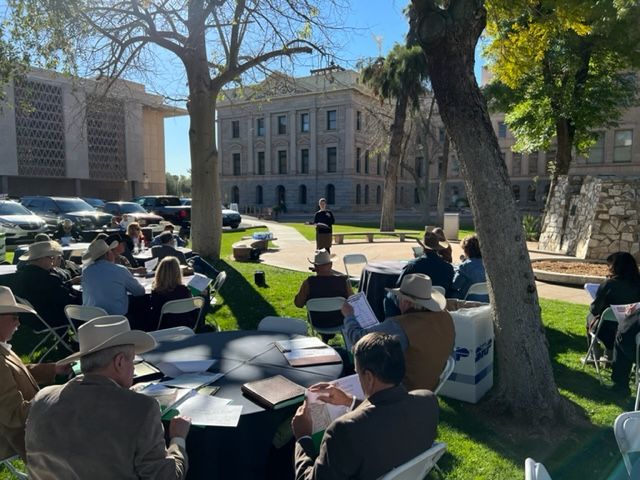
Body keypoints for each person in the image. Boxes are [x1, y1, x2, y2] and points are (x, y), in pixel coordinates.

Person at [25, 315, 191, 479]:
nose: (133, 369)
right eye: (132, 361)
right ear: (119, 362)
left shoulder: (42, 398)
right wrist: (178, 439)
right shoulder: (142, 408)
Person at [291, 332, 439, 480]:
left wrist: (303, 437)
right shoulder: (428, 401)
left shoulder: (344, 431)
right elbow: (385, 416)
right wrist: (350, 401)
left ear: (369, 377)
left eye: (358, 373)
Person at [344, 273, 455, 391]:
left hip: (404, 390)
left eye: (399, 298)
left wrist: (349, 316)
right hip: (431, 384)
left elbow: (359, 340)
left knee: (356, 365)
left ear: (406, 302)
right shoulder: (445, 316)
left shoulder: (400, 326)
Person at [0, 286, 69, 461]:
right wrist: (53, 396)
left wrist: (53, 368)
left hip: (30, 424)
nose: (18, 323)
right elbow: (14, 416)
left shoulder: (2, 347)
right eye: (14, 317)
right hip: (17, 438)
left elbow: (16, 372)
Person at [383, 231, 454, 318]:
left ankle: (391, 322)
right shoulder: (448, 268)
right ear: (438, 248)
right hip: (437, 304)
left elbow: (400, 286)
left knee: (389, 296)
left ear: (423, 247)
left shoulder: (413, 265)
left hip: (414, 303)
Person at [12, 241, 81, 328]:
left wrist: (69, 283)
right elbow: (66, 299)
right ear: (40, 259)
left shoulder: (22, 274)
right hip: (52, 318)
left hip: (34, 318)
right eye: (51, 257)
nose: (53, 260)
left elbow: (56, 290)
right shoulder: (47, 277)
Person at [587, 252, 640, 356]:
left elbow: (595, 309)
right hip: (633, 329)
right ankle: (609, 354)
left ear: (615, 267)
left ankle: (594, 355)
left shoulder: (609, 284)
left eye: (609, 266)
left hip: (608, 330)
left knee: (589, 317)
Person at [294, 250, 353, 337]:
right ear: (331, 265)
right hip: (340, 321)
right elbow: (353, 302)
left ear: (315, 266)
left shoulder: (308, 283)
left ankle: (325, 338)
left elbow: (298, 304)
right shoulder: (343, 281)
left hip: (317, 322)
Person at [81, 239, 146, 316]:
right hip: (116, 319)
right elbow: (139, 292)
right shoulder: (120, 270)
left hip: (90, 319)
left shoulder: (86, 271)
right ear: (107, 254)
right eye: (111, 251)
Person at [150, 257, 194, 331]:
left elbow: (154, 312)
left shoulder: (156, 292)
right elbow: (193, 308)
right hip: (185, 327)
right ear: (178, 272)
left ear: (159, 272)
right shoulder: (184, 290)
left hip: (163, 328)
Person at [450, 234, 486, 300]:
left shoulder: (466, 266)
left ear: (467, 250)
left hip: (469, 299)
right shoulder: (487, 264)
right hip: (486, 298)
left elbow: (455, 285)